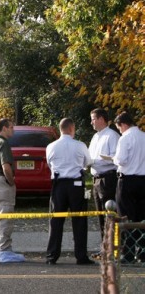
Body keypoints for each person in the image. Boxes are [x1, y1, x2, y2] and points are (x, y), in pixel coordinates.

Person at [44, 118, 94, 265]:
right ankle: (81, 256)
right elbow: (88, 162)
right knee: (79, 221)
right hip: (76, 185)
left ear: (60, 129)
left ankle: (52, 256)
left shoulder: (51, 147)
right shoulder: (80, 145)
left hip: (59, 185)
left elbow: (49, 163)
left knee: (56, 221)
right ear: (72, 129)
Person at [0, 118, 25, 263]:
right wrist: (11, 182)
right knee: (5, 216)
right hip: (2, 180)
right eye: (11, 127)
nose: (13, 130)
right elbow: (6, 166)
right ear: (4, 128)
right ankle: (5, 251)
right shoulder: (3, 143)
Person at [112, 112, 145, 263]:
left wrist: (113, 158)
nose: (120, 131)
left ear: (123, 124)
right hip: (142, 180)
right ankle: (143, 252)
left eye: (119, 128)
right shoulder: (143, 136)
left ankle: (129, 253)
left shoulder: (125, 138)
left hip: (127, 181)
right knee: (141, 217)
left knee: (125, 216)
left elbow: (121, 160)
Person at [88, 108, 120, 239]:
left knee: (110, 213)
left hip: (108, 178)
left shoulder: (112, 136)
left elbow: (115, 158)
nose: (91, 122)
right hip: (96, 179)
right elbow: (89, 156)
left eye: (93, 119)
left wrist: (95, 161)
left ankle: (113, 245)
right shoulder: (95, 137)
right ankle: (104, 245)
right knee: (100, 213)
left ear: (101, 119)